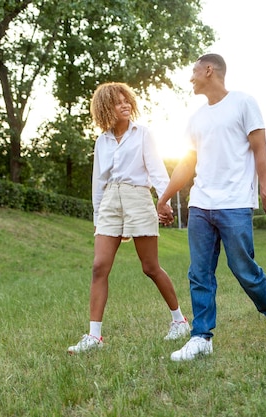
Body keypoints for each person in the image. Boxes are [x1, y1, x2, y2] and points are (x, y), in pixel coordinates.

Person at [156, 54, 266, 361]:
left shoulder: (243, 103)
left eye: (193, 72)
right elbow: (186, 164)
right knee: (199, 273)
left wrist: (265, 190)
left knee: (242, 267)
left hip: (235, 203)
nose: (190, 78)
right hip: (201, 204)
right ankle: (201, 337)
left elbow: (261, 150)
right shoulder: (196, 119)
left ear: (209, 70)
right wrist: (163, 197)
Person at [67, 82, 190, 354]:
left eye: (126, 100)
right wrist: (98, 216)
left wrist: (164, 199)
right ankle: (94, 336)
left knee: (150, 267)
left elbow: (156, 170)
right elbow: (98, 182)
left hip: (137, 198)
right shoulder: (102, 141)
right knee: (99, 266)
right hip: (110, 201)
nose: (124, 105)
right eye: (116, 102)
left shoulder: (143, 134)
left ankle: (179, 320)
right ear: (105, 108)